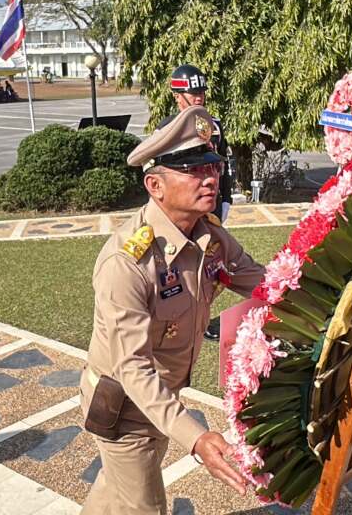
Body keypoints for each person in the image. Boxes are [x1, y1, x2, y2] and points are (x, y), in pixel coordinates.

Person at [80, 105, 264, 515]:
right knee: (144, 507)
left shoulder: (209, 236)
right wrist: (196, 438)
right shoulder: (127, 263)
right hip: (125, 409)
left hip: (161, 400)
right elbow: (132, 368)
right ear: (155, 185)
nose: (210, 178)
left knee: (115, 493)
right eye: (193, 170)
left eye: (212, 166)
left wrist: (332, 293)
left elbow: (263, 282)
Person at [155, 64, 235, 340]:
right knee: (180, 267)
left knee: (211, 264)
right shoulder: (167, 129)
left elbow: (224, 165)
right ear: (178, 96)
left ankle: (202, 316)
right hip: (182, 208)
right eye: (192, 92)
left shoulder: (214, 126)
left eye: (201, 91)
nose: (199, 97)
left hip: (210, 204)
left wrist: (226, 198)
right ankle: (177, 320)